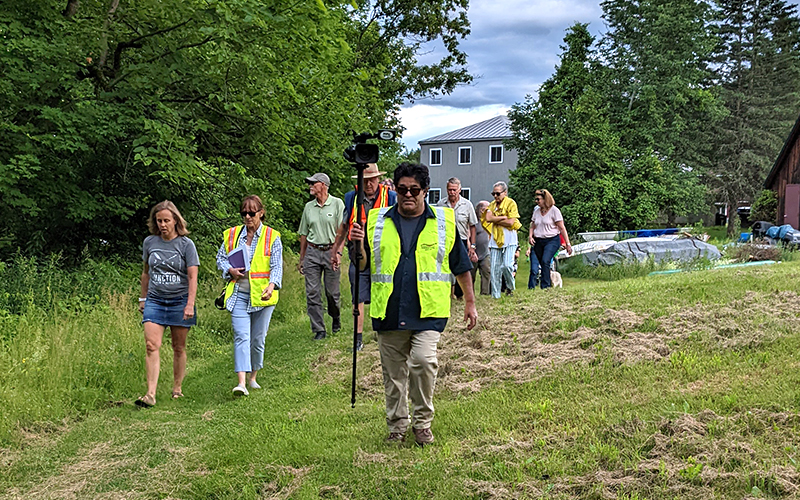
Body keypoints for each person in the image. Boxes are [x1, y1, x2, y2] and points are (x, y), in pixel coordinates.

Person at [350, 162, 477, 447]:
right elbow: (362, 266)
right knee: (393, 374)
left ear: (425, 192)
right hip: (389, 309)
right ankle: (397, 425)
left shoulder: (444, 222)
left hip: (428, 310)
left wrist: (470, 302)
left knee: (422, 362)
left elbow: (461, 266)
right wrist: (357, 244)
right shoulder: (375, 221)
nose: (408, 195)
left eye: (414, 190)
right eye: (402, 189)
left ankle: (422, 423)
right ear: (394, 189)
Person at [216, 195, 283, 396]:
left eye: (251, 213)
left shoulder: (272, 237)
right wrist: (229, 270)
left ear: (261, 213)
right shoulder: (233, 234)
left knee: (257, 339)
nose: (247, 217)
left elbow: (276, 266)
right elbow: (220, 258)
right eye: (243, 213)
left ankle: (253, 376)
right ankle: (241, 383)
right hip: (239, 294)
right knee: (241, 336)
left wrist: (272, 285)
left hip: (263, 297)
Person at [136, 201, 199, 408]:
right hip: (155, 299)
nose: (162, 224)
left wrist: (190, 304)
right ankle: (150, 394)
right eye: (159, 220)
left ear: (175, 221)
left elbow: (192, 277)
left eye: (166, 220)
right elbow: (146, 273)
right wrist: (143, 298)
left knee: (178, 347)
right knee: (151, 345)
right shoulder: (149, 243)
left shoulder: (186, 245)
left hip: (179, 301)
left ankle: (177, 388)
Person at [332, 164, 397, 352]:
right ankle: (357, 339)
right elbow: (344, 226)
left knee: (385, 292)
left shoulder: (390, 197)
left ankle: (384, 333)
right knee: (357, 295)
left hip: (383, 252)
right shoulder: (351, 197)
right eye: (365, 180)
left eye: (372, 179)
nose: (368, 184)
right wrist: (337, 250)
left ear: (378, 179)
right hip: (358, 251)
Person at [298, 173, 345, 340]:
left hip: (331, 251)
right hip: (312, 251)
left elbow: (343, 231)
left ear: (323, 185)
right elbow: (303, 233)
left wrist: (338, 252)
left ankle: (336, 317)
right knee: (312, 292)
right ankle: (319, 329)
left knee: (332, 293)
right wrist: (302, 258)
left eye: (313, 183)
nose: (310, 186)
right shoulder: (308, 207)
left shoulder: (337, 204)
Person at [437, 177, 478, 299]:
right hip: (445, 239)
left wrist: (473, 245)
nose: (452, 192)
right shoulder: (441, 204)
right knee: (444, 267)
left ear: (459, 190)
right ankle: (447, 292)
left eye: (454, 190)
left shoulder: (467, 205)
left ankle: (460, 294)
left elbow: (472, 226)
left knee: (461, 267)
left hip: (462, 240)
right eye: (449, 190)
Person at [481, 181, 522, 298]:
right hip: (495, 239)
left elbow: (511, 222)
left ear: (505, 192)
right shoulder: (492, 205)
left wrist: (496, 218)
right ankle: (496, 295)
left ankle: (510, 287)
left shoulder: (511, 203)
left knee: (507, 266)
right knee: (494, 269)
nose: (495, 196)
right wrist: (502, 217)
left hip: (510, 239)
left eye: (498, 194)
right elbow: (488, 218)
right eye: (493, 193)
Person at [528, 189, 573, 289]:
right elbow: (532, 225)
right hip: (539, 240)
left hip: (552, 240)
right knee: (542, 264)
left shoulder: (554, 211)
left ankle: (546, 286)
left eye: (538, 199)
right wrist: (530, 236)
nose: (537, 201)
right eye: (536, 199)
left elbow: (562, 228)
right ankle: (545, 284)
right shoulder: (536, 211)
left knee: (545, 261)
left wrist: (567, 243)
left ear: (545, 199)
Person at [473, 201, 492, 295]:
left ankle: (485, 293)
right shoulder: (474, 222)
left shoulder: (489, 221)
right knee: (471, 275)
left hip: (486, 252)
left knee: (486, 272)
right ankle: (469, 294)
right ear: (481, 210)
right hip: (474, 252)